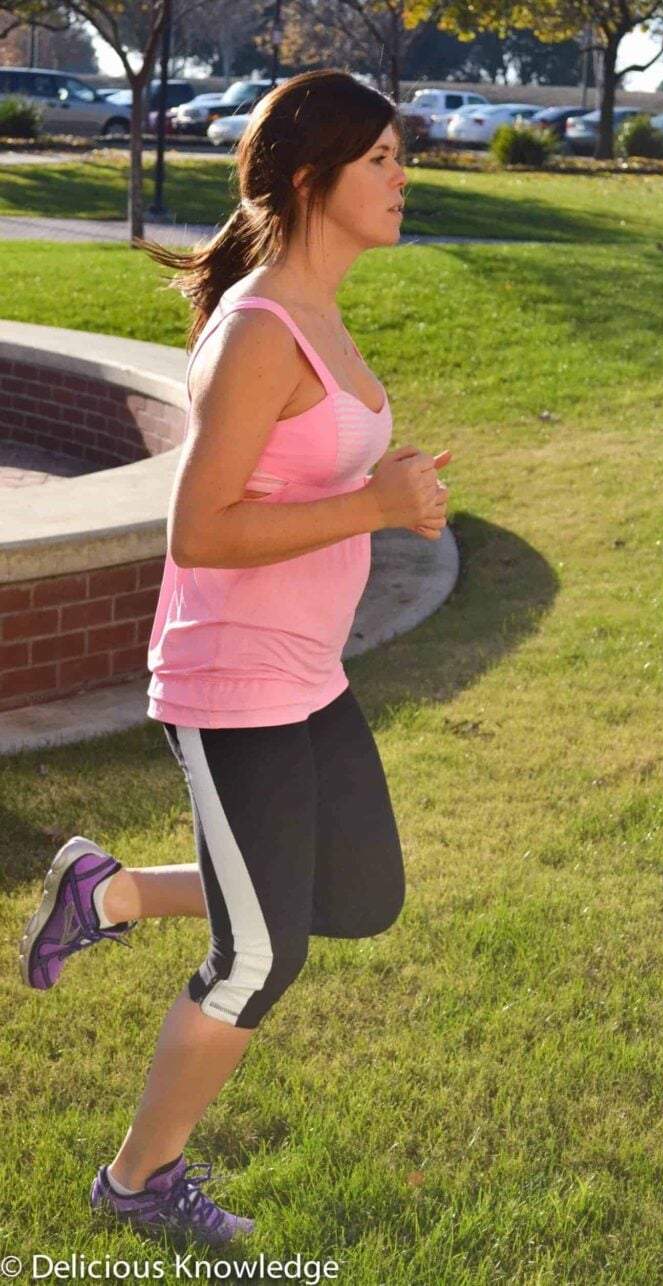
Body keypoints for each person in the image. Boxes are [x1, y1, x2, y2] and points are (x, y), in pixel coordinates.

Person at [18, 68, 452, 1248]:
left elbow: (308, 474)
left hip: (308, 670)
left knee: (359, 896)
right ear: (314, 180)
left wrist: (386, 497)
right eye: (381, 160)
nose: (402, 176)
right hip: (231, 677)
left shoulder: (321, 306)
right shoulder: (260, 328)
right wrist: (372, 508)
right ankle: (137, 1179)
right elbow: (200, 529)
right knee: (258, 953)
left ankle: (101, 891)